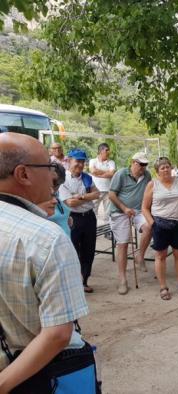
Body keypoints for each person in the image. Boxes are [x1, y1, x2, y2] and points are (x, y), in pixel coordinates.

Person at [0, 133, 90, 392]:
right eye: (48, 166)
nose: (53, 175)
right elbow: (58, 334)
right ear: (23, 174)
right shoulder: (46, 238)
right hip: (36, 377)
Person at [142, 157, 178, 300]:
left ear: (171, 168)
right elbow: (145, 208)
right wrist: (153, 223)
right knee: (161, 256)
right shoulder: (153, 185)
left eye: (167, 166)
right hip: (160, 224)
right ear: (157, 171)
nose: (165, 169)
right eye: (162, 168)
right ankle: (163, 287)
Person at [109, 152, 153, 295]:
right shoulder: (121, 174)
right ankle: (122, 279)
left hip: (139, 211)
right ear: (133, 162)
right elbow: (111, 195)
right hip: (120, 211)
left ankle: (139, 256)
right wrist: (124, 208)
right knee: (123, 243)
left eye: (145, 165)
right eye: (141, 164)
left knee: (149, 226)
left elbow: (150, 194)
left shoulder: (147, 176)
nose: (143, 167)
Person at [59, 149, 100, 293]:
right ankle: (73, 283)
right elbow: (69, 203)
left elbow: (97, 194)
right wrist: (87, 196)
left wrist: (81, 197)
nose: (80, 164)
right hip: (73, 219)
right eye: (78, 161)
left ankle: (84, 281)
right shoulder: (63, 179)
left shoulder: (87, 178)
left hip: (89, 217)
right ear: (69, 161)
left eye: (83, 161)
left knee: (88, 250)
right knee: (73, 250)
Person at [38, 161, 72, 237]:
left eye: (58, 184)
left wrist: (66, 218)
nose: (54, 188)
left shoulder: (56, 194)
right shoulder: (38, 197)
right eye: (53, 182)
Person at [89, 143, 116, 223]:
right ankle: (93, 229)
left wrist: (99, 174)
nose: (109, 152)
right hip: (95, 191)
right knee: (93, 211)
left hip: (108, 190)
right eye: (106, 150)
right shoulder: (93, 161)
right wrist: (106, 173)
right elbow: (93, 171)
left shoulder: (111, 162)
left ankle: (108, 232)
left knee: (108, 213)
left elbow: (112, 174)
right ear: (101, 151)